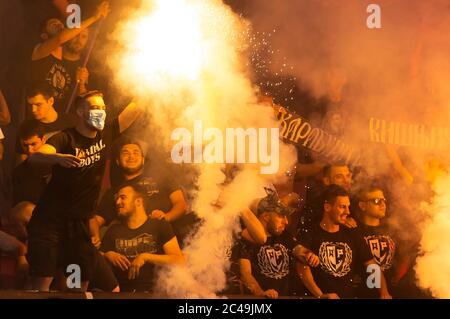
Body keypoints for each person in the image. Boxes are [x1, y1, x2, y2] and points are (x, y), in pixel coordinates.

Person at [26, 90, 141, 291]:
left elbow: (134, 109)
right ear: (80, 112)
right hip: (49, 223)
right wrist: (57, 158)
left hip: (77, 228)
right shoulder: (64, 138)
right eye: (95, 108)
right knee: (42, 282)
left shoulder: (105, 135)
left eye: (103, 108)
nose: (101, 113)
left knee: (76, 285)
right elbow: (35, 157)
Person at [296, 185, 391, 299]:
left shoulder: (351, 233)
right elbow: (302, 267)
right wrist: (320, 295)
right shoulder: (311, 232)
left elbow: (371, 265)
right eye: (342, 207)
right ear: (327, 207)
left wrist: (384, 292)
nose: (347, 211)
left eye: (348, 207)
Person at [90, 139, 189, 248]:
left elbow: (180, 204)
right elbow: (95, 220)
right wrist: (95, 237)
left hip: (171, 242)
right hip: (137, 248)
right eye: (125, 153)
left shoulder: (162, 177)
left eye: (136, 153)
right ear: (118, 161)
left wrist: (166, 217)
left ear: (143, 160)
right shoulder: (116, 192)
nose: (131, 156)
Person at [100, 183, 184, 292]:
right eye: (116, 199)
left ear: (138, 201)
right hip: (122, 293)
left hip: (155, 293)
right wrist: (107, 255)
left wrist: (145, 257)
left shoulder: (160, 226)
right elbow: (96, 258)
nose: (117, 202)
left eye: (122, 198)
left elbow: (179, 260)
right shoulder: (113, 230)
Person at [27, 2, 109, 111]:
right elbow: (60, 38)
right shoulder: (39, 52)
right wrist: (95, 17)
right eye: (52, 24)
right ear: (44, 36)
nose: (58, 24)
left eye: (60, 23)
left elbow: (83, 106)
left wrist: (81, 84)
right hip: (39, 120)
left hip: (61, 122)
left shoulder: (78, 66)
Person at [239, 188, 304, 299]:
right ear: (266, 216)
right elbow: (245, 273)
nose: (286, 221)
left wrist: (308, 255)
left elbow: (300, 250)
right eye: (280, 216)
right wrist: (260, 293)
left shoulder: (283, 235)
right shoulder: (248, 238)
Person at [16, 85, 77, 164]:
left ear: (51, 101)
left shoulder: (71, 121)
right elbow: (22, 161)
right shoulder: (26, 126)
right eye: (30, 105)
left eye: (38, 105)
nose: (33, 110)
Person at [356, 184, 396, 298]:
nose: (383, 205)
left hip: (390, 293)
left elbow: (405, 255)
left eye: (384, 200)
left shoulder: (393, 229)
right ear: (362, 205)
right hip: (363, 293)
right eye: (377, 201)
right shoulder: (355, 230)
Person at [13, 121, 52, 206]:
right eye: (25, 145)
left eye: (33, 144)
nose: (30, 150)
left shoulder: (60, 165)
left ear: (44, 139)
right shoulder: (18, 173)